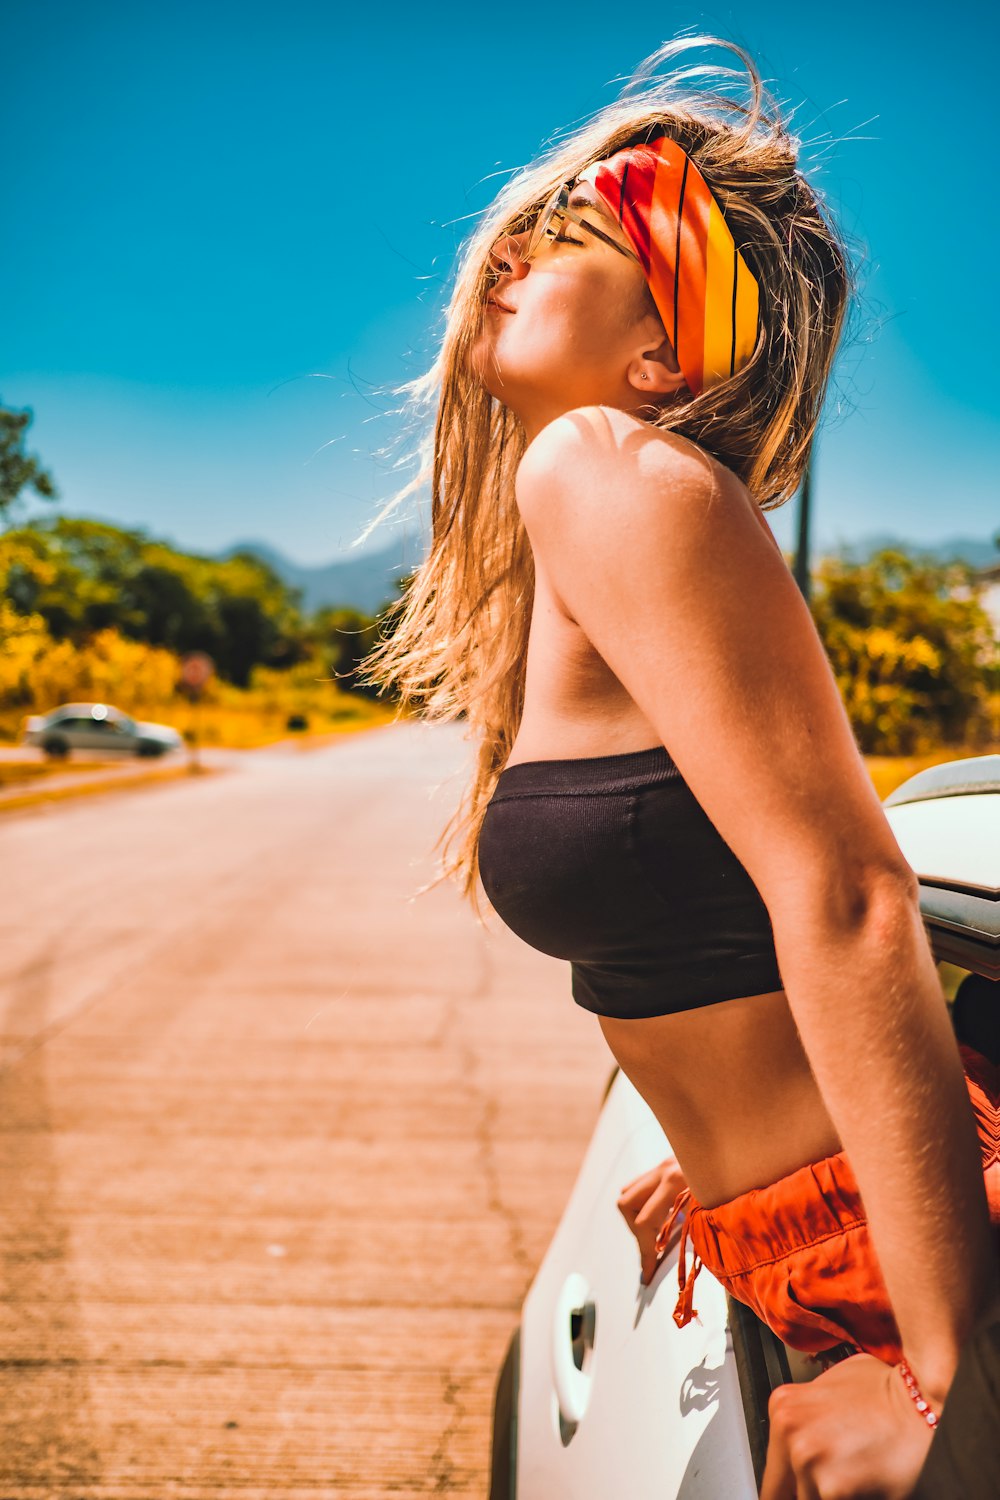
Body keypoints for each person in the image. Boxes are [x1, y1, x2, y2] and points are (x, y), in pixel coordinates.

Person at [358, 35, 998, 1495]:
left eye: (569, 232)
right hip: (801, 1247)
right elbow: (724, 928)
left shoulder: (609, 463)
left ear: (660, 355)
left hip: (897, 1280)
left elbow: (849, 897)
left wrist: (953, 1382)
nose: (511, 248)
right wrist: (719, 1164)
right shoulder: (584, 525)